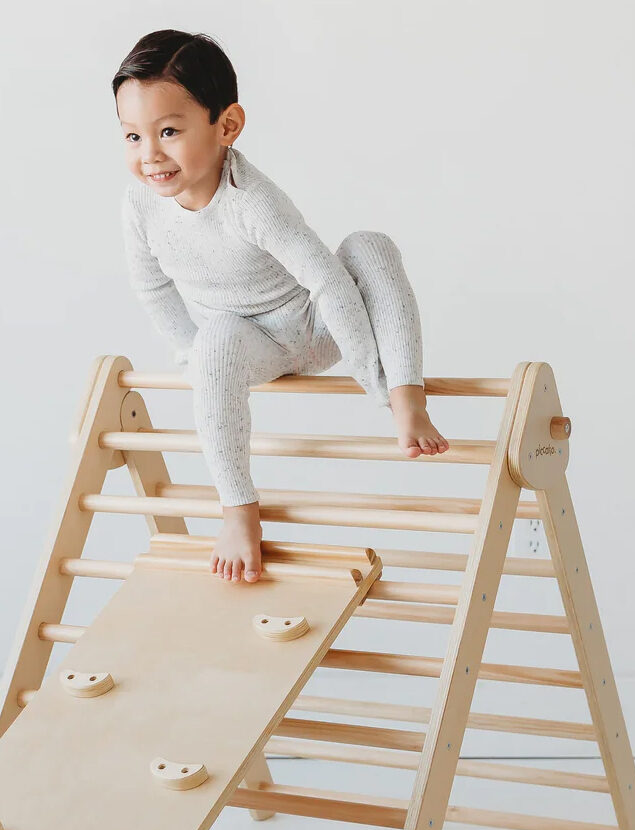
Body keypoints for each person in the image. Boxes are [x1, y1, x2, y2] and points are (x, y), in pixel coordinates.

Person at [114, 29, 448, 583]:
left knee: (369, 245)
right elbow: (152, 287)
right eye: (132, 137)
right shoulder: (139, 206)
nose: (150, 155)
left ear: (227, 127)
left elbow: (331, 284)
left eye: (169, 132)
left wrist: (376, 382)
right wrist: (188, 357)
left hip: (315, 326)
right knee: (214, 338)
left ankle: (406, 399)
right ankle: (238, 509)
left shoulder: (254, 202)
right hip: (250, 341)